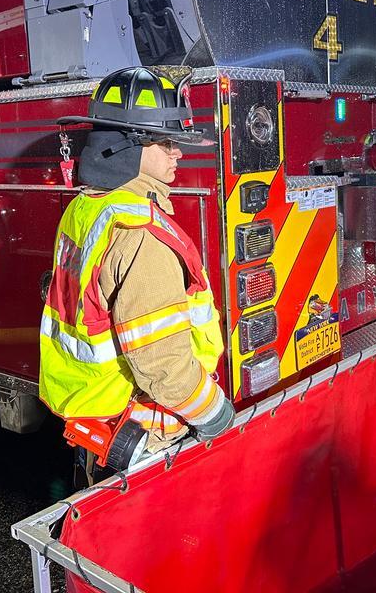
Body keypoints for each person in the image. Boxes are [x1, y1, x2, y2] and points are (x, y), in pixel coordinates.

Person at [38, 67, 234, 474]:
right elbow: (163, 364)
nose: (178, 152)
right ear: (128, 147)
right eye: (165, 142)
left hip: (98, 416)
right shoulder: (141, 236)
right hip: (145, 435)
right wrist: (214, 414)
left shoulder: (87, 207)